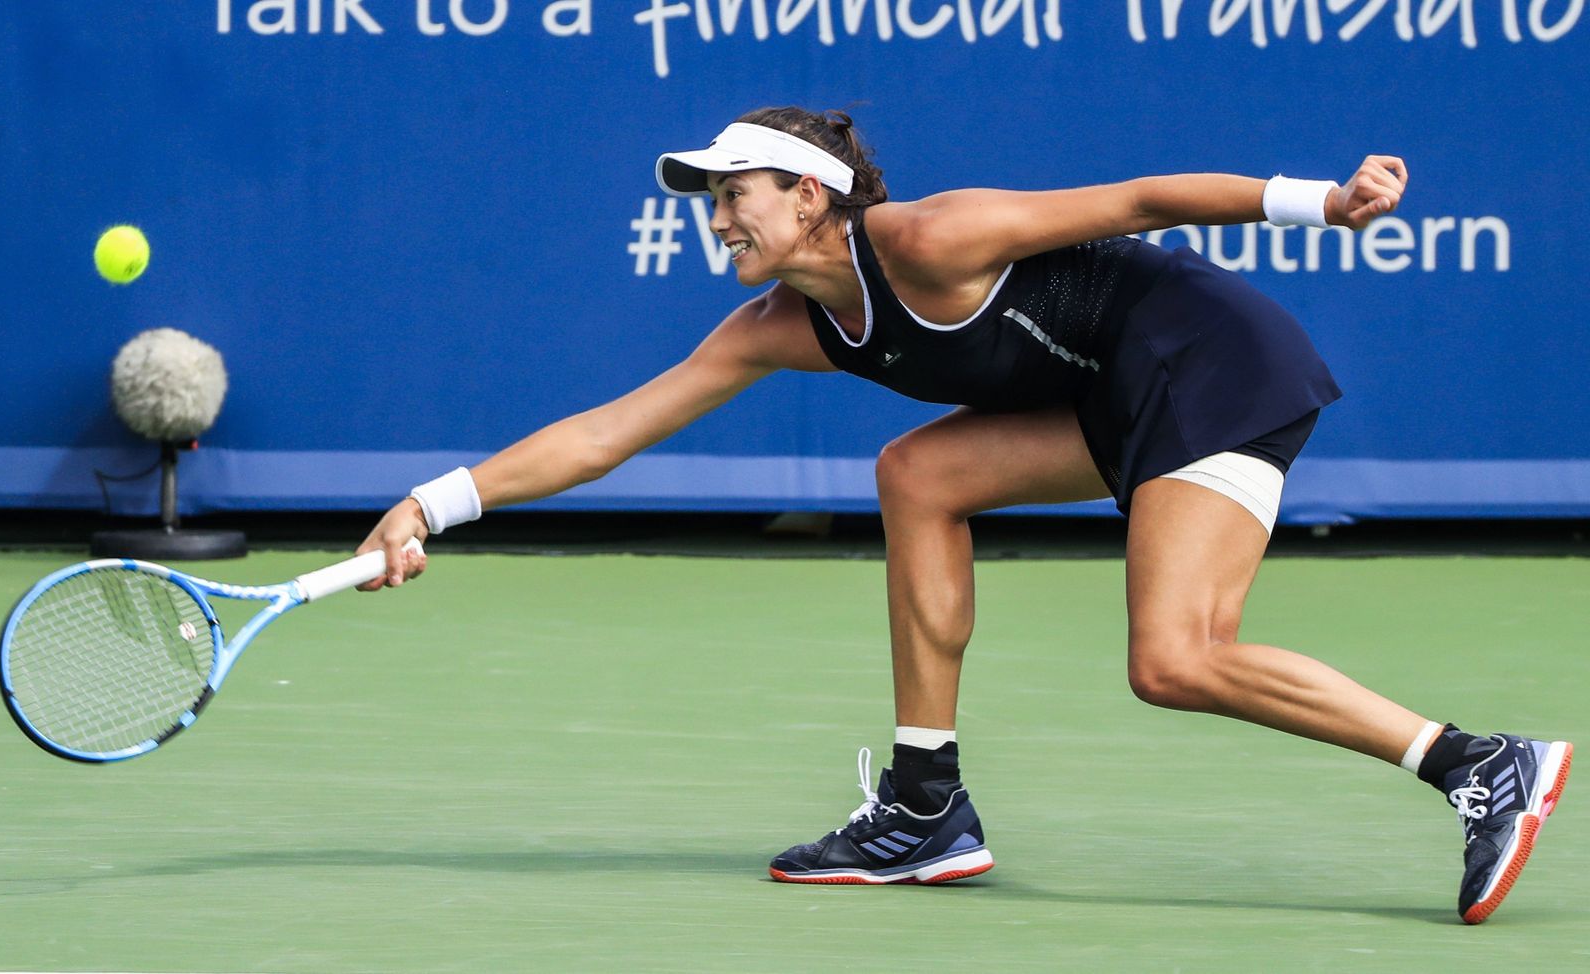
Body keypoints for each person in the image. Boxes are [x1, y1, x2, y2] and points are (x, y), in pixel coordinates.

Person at [356, 107, 1571, 923]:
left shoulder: (935, 237)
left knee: (1173, 656)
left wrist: (1325, 202)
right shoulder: (779, 324)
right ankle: (925, 804)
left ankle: (1480, 763)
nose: (715, 214)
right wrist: (429, 503)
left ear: (814, 195)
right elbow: (606, 432)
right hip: (1108, 392)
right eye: (709, 197)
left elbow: (1142, 196)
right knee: (917, 474)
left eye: (736, 193)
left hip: (1211, 363)